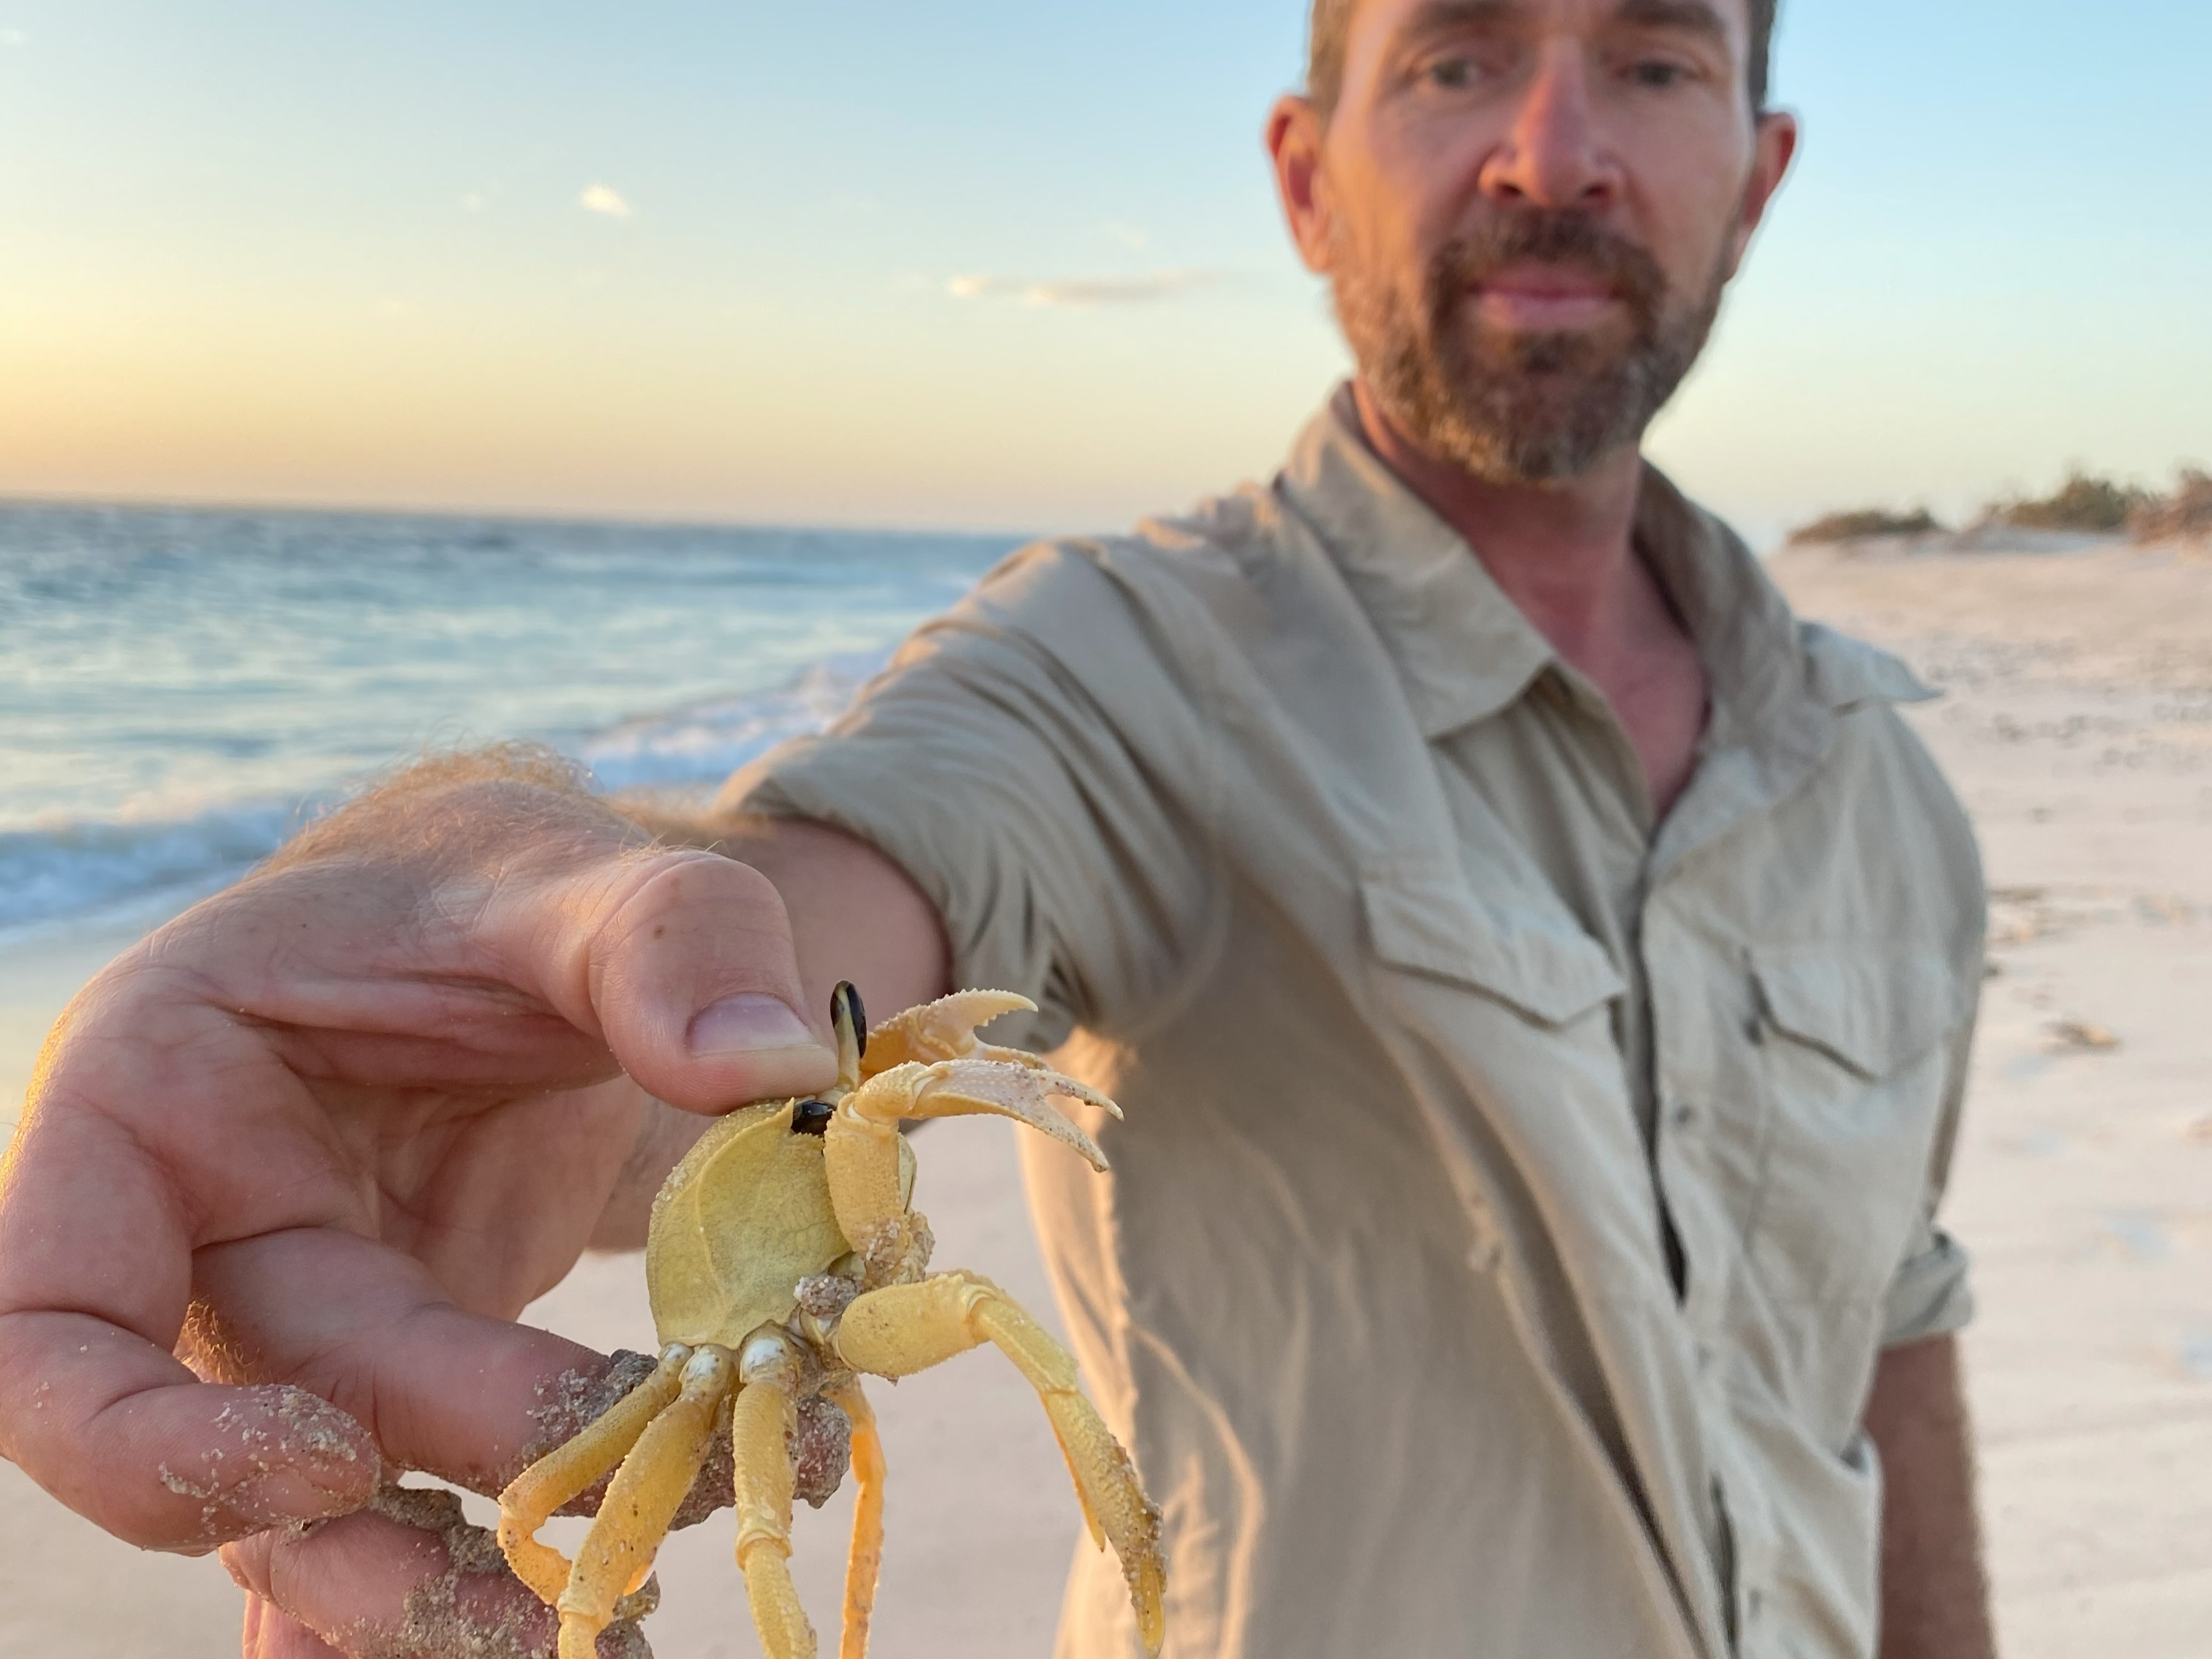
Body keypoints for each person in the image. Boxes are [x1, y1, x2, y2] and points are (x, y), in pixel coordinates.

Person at [0, 0, 1999, 1655]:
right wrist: (509, 960)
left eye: (1654, 60)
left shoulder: (1888, 793)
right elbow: (825, 942)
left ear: (1760, 171)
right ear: (1307, 177)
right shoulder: (1127, 666)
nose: (1550, 148)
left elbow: (1887, 1354)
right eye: (1458, 55)